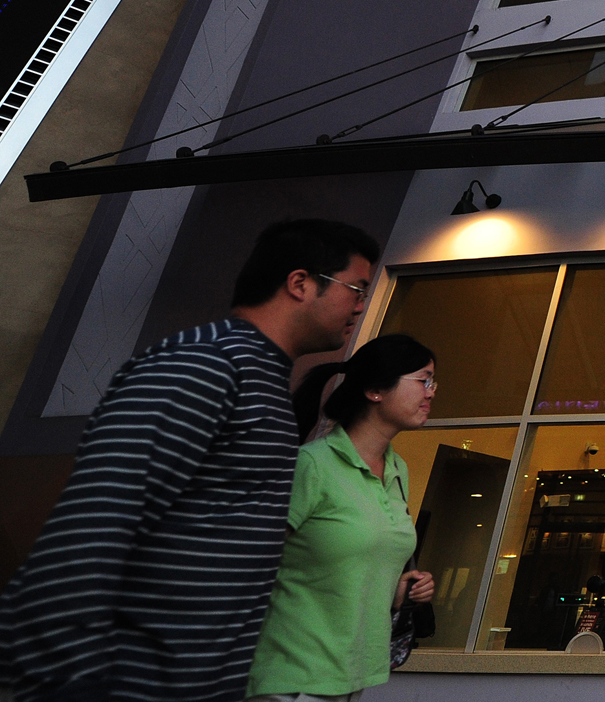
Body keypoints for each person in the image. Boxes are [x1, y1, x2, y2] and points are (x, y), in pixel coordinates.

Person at [0, 219, 379, 702]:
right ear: (301, 283)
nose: (361, 306)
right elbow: (91, 530)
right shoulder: (204, 365)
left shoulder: (261, 380)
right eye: (356, 289)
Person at [246, 334, 438, 701]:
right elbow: (249, 568)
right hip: (289, 679)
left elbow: (346, 568)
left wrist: (398, 593)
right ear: (375, 390)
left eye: (434, 382)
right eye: (423, 380)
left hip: (351, 678)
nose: (431, 392)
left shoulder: (398, 470)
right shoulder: (312, 465)